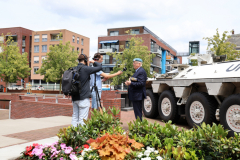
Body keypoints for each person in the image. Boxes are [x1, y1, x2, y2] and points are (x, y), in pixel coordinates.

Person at [71, 54, 102, 127]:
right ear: (85, 60)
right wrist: (93, 62)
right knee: (83, 118)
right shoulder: (86, 69)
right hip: (83, 98)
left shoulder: (74, 69)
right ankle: (81, 136)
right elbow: (99, 67)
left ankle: (73, 135)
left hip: (74, 98)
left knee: (75, 117)